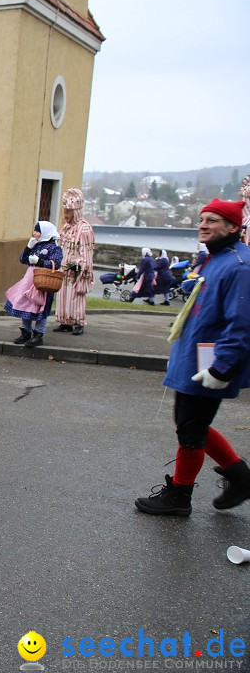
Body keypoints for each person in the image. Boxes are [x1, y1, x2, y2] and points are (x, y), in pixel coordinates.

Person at [134, 199, 250, 516]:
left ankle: (180, 496)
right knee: (189, 424)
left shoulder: (240, 265)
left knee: (190, 428)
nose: (203, 224)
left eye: (213, 220)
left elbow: (241, 325)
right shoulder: (218, 258)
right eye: (202, 218)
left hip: (211, 362)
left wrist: (221, 368)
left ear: (233, 227)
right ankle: (240, 476)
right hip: (195, 357)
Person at [4, 221, 63, 348]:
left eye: (37, 231)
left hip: (43, 283)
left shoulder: (55, 248)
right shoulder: (36, 245)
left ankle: (39, 334)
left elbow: (56, 263)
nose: (34, 233)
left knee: (41, 306)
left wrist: (40, 261)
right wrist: (28, 248)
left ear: (45, 232)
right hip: (29, 281)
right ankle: (26, 332)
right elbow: (23, 259)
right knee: (26, 304)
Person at [53, 188, 94, 334]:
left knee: (75, 297)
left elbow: (86, 255)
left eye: (69, 212)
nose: (66, 215)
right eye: (65, 211)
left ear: (76, 211)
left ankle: (78, 322)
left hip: (76, 272)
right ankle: (65, 322)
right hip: (63, 269)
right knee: (63, 296)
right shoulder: (65, 228)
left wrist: (74, 266)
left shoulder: (84, 230)